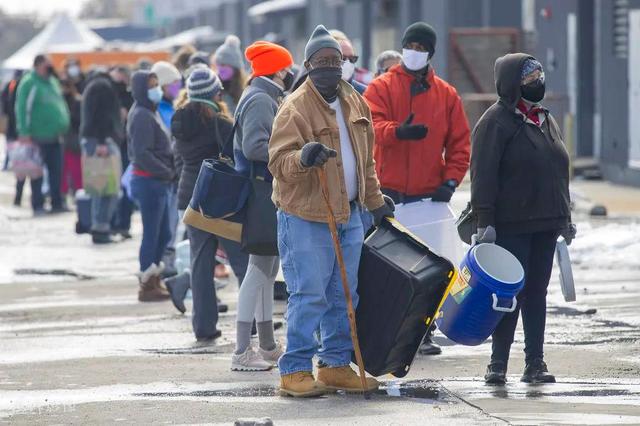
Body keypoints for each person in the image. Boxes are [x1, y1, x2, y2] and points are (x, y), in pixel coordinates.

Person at [269, 25, 395, 397]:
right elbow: (277, 162)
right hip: (306, 215)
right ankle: (294, 370)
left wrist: (374, 203)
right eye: (321, 62)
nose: (329, 67)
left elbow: (366, 161)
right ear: (308, 66)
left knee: (345, 294)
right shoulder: (294, 107)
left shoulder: (355, 101)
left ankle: (336, 364)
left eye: (335, 61)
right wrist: (303, 157)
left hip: (350, 214)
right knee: (309, 293)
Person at [364, 23, 471, 356]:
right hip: (389, 196)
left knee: (431, 268)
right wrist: (398, 132)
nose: (413, 50)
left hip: (429, 198)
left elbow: (460, 144)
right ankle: (386, 330)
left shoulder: (446, 95)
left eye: (420, 46)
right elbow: (369, 126)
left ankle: (423, 332)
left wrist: (451, 181)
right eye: (409, 44)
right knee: (387, 270)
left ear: (430, 53)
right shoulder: (381, 87)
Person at [471, 54, 576, 385]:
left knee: (537, 293)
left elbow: (558, 170)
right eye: (529, 79)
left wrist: (565, 216)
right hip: (510, 225)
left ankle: (535, 363)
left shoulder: (544, 118)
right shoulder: (495, 122)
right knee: (508, 296)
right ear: (511, 84)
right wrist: (483, 221)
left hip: (545, 223)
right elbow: (482, 175)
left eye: (540, 76)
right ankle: (497, 363)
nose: (538, 82)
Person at [170, 67, 250, 340]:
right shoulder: (220, 123)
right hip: (220, 200)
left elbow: (178, 162)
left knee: (201, 263)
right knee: (242, 263)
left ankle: (203, 327)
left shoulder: (179, 122)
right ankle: (251, 322)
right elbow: (238, 159)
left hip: (192, 199)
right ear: (215, 93)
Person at [230, 41, 295, 372]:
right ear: (277, 70)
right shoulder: (260, 99)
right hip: (261, 192)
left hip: (262, 191)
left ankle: (267, 344)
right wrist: (289, 153)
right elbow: (256, 147)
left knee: (267, 270)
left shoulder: (259, 95)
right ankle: (242, 351)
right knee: (258, 270)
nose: (289, 73)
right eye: (286, 67)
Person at [128, 70, 174, 302]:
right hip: (149, 181)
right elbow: (142, 154)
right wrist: (167, 172)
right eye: (152, 86)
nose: (157, 89)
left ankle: (154, 277)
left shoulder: (149, 111)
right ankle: (147, 283)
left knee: (163, 233)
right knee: (152, 234)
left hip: (157, 181)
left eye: (157, 84)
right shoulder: (142, 115)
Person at [15, 54, 71, 215]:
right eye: (48, 65)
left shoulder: (52, 82)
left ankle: (56, 202)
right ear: (38, 65)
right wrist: (24, 131)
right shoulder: (29, 83)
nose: (51, 68)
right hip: (37, 135)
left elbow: (60, 103)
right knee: (36, 172)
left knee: (56, 171)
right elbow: (22, 109)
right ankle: (37, 204)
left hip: (56, 135)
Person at [80, 71, 124, 244]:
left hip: (94, 140)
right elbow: (101, 116)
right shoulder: (103, 87)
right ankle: (101, 227)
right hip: (102, 141)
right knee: (107, 187)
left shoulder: (93, 86)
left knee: (99, 186)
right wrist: (102, 141)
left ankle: (99, 226)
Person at [109, 66, 135, 239]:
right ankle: (112, 223)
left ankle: (123, 224)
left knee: (125, 188)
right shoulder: (109, 96)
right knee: (113, 187)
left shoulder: (130, 97)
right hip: (114, 146)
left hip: (126, 147)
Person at [1, 70, 24, 205]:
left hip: (16, 131)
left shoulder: (13, 86)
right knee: (22, 165)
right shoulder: (16, 86)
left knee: (21, 165)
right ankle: (18, 197)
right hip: (19, 132)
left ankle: (18, 197)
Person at [60, 79, 83, 199]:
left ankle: (78, 195)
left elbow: (79, 122)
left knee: (76, 171)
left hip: (74, 142)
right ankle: (63, 195)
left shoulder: (78, 101)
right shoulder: (59, 101)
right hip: (63, 140)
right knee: (63, 172)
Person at [213, 35, 246, 115]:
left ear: (235, 67)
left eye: (224, 65)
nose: (220, 68)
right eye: (218, 65)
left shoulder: (245, 88)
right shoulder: (214, 87)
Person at [329, 30, 367, 94]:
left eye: (352, 59)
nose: (347, 63)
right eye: (343, 58)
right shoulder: (311, 91)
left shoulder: (364, 93)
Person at [150, 61, 182, 129]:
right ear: (164, 85)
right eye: (175, 82)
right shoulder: (158, 110)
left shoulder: (172, 106)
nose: (178, 86)